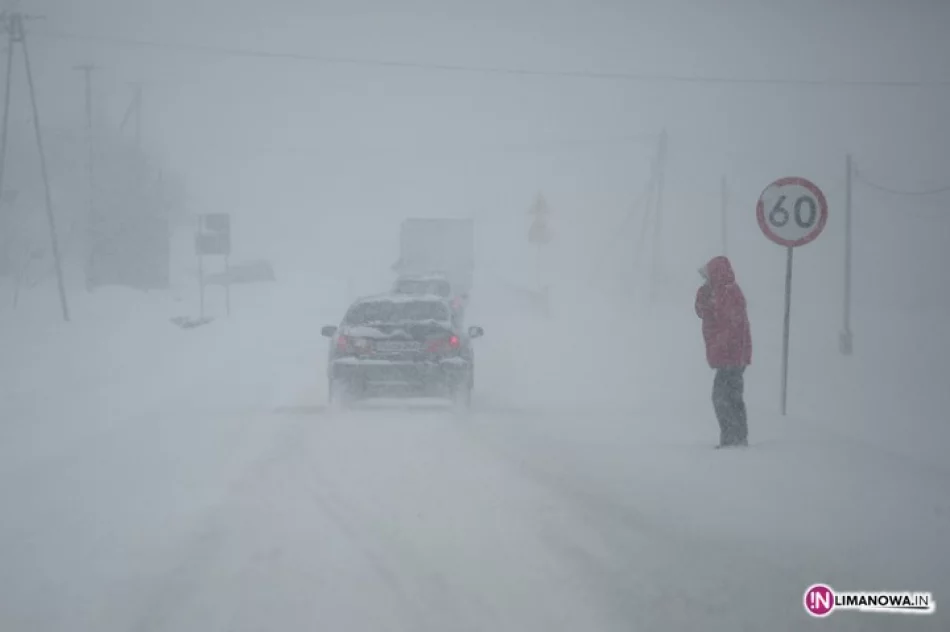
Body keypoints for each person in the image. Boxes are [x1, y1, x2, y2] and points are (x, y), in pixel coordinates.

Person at [695, 256, 752, 448]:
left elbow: (730, 325)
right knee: (730, 398)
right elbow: (704, 313)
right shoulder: (720, 292)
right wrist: (703, 296)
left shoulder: (728, 293)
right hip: (732, 357)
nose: (705, 280)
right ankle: (735, 439)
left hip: (731, 357)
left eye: (708, 276)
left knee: (724, 398)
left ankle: (733, 440)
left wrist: (722, 347)